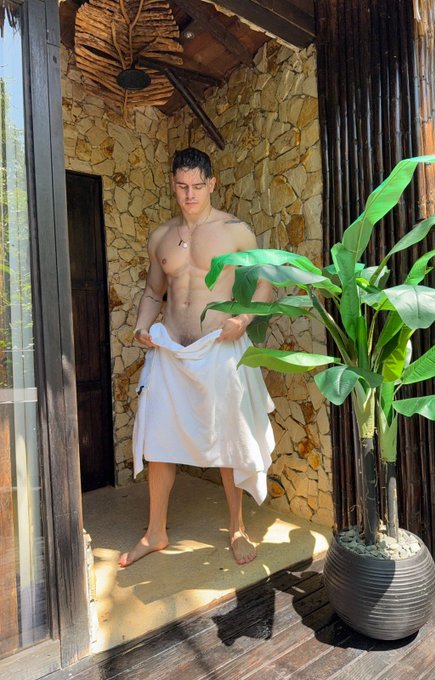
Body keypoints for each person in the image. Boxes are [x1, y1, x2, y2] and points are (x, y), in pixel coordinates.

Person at [118, 147, 275, 568]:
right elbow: (154, 292)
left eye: (198, 186)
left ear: (212, 184)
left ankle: (237, 528)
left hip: (218, 348)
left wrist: (243, 319)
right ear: (173, 184)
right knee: (158, 441)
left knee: (229, 439)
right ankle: (155, 532)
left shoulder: (236, 231)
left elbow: (264, 284)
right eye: (182, 186)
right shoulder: (161, 237)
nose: (190, 195)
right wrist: (141, 327)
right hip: (170, 351)